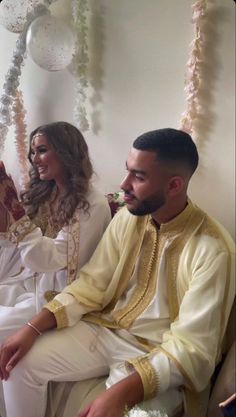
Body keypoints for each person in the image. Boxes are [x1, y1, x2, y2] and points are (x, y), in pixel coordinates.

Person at [0, 128, 234, 417]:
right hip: (105, 328)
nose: (123, 184)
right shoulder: (128, 218)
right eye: (127, 171)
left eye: (139, 176)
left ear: (174, 185)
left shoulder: (213, 249)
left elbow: (194, 348)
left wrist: (120, 393)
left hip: (155, 352)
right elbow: (92, 284)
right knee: (17, 364)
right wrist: (32, 328)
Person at [0, 121, 111, 341]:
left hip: (58, 294)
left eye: (42, 150)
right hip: (25, 279)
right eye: (33, 152)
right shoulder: (44, 193)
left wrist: (18, 217)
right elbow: (16, 249)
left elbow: (52, 259)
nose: (34, 159)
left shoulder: (92, 204)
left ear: (66, 152)